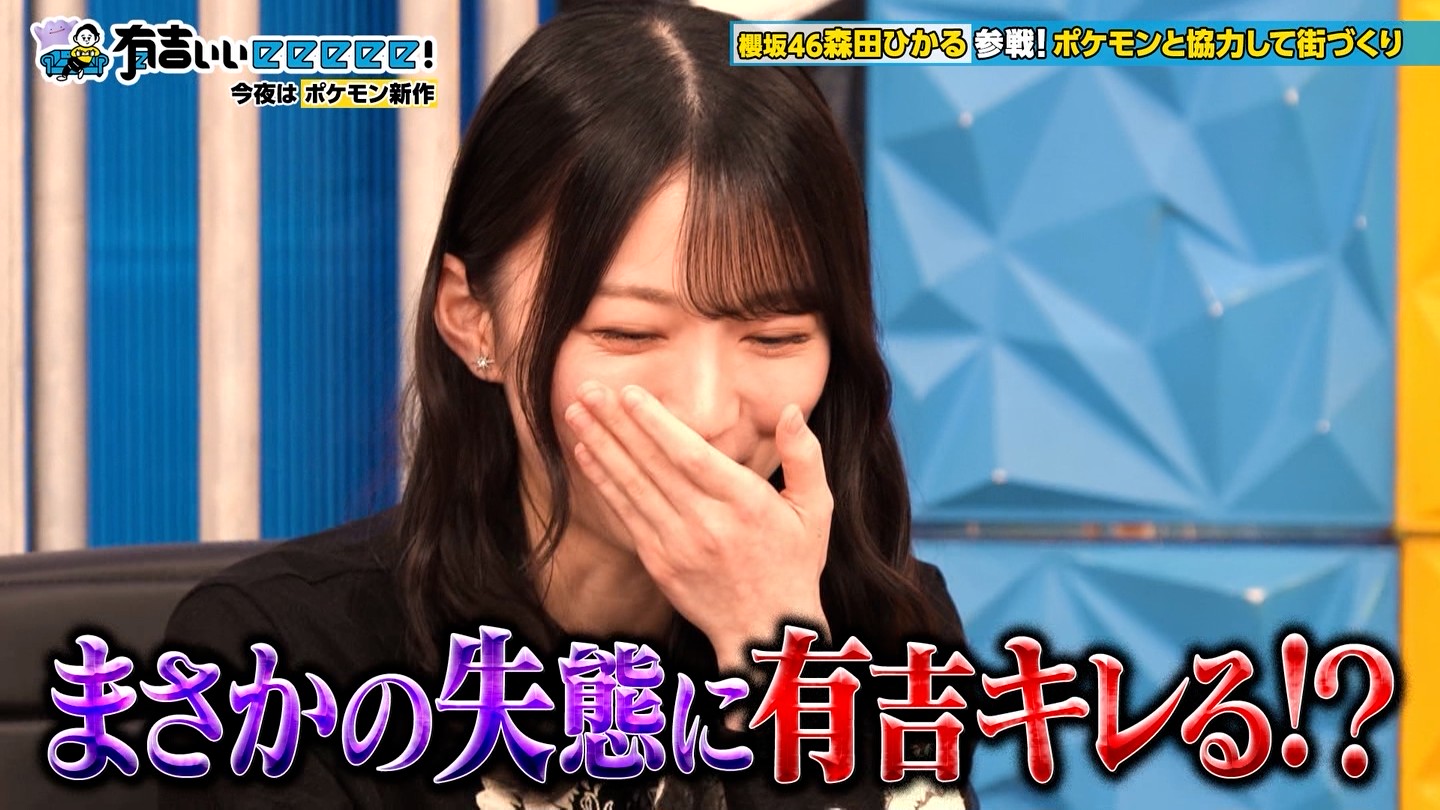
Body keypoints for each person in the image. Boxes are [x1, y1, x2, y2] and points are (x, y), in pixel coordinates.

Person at [160, 3, 979, 808]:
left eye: (774, 338)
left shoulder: (888, 629)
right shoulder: (277, 660)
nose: (703, 412)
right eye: (627, 333)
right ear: (473, 317)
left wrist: (776, 655)